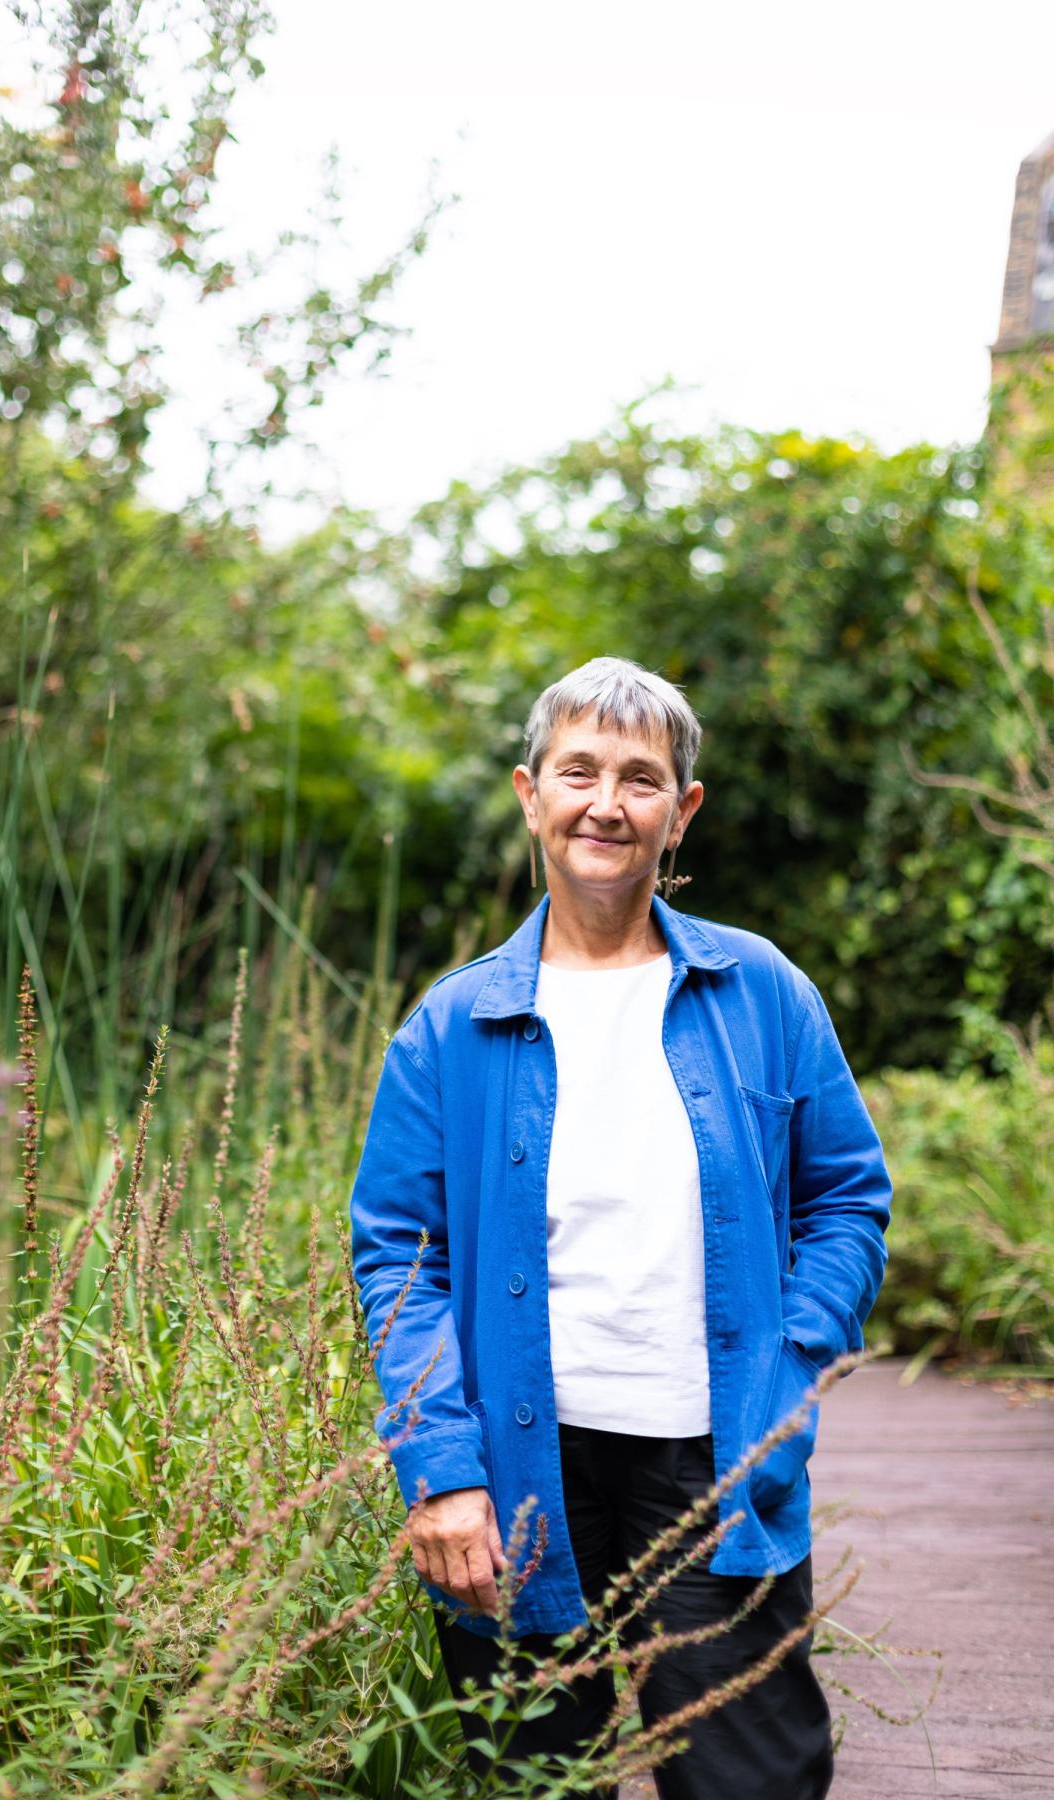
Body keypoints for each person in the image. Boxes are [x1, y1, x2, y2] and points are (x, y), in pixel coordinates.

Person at [349, 656, 892, 1798]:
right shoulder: (453, 1024)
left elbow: (848, 1198)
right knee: (538, 1780)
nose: (606, 804)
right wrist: (442, 1469)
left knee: (753, 1778)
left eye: (640, 780)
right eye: (578, 772)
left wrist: (793, 1353)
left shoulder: (763, 991)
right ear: (530, 794)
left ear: (680, 811)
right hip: (520, 1477)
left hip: (718, 1460)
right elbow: (400, 1259)